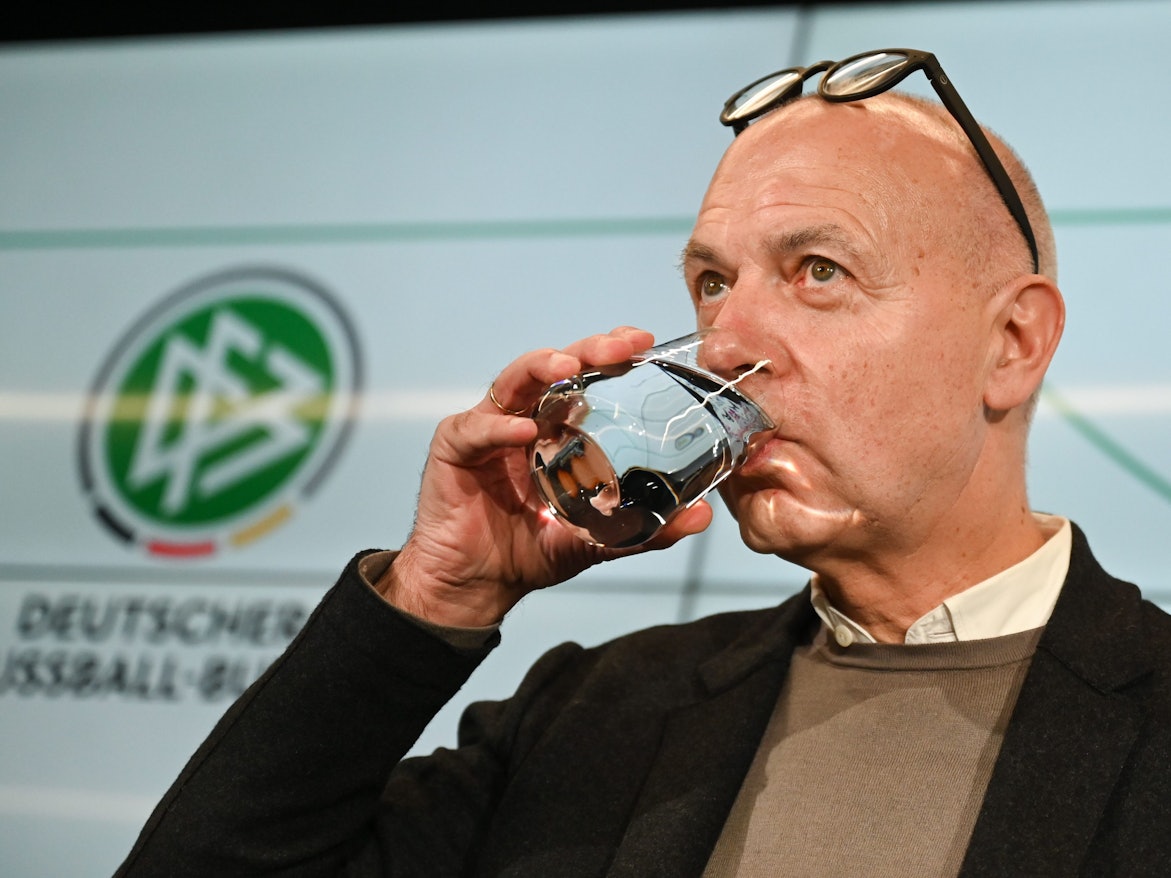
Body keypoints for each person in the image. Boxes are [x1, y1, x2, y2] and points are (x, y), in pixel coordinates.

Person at [116, 49, 1171, 877]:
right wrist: (437, 593)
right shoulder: (596, 710)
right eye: (711, 282)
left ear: (1012, 345)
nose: (720, 345)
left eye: (817, 270)